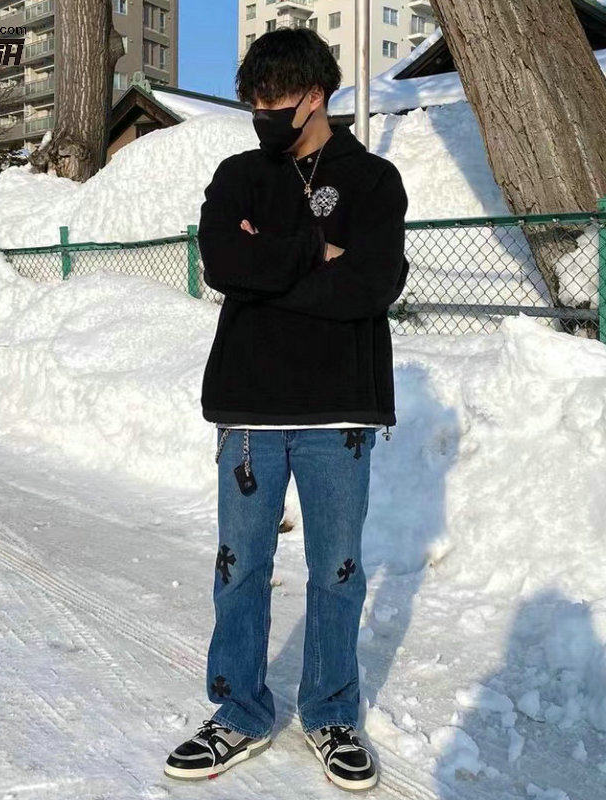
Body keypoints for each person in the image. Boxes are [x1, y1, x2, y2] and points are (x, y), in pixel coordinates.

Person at [164, 27, 408, 791]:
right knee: (241, 568)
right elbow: (221, 262)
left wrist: (267, 265)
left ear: (317, 95)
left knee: (337, 571)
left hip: (340, 411)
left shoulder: (373, 181)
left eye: (278, 100)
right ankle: (239, 711)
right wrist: (316, 252)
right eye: (255, 102)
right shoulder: (239, 174)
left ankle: (331, 712)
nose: (264, 114)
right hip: (250, 410)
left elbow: (372, 286)